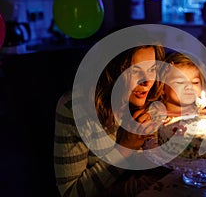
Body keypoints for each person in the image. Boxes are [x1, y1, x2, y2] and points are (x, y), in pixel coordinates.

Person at [53, 44, 172, 197]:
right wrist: (124, 149)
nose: (147, 81)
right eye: (135, 70)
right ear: (113, 70)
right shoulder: (76, 108)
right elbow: (71, 192)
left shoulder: (150, 102)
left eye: (152, 69)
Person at [160, 51, 206, 121]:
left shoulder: (201, 114)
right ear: (162, 88)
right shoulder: (152, 118)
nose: (189, 87)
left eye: (195, 82)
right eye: (180, 82)